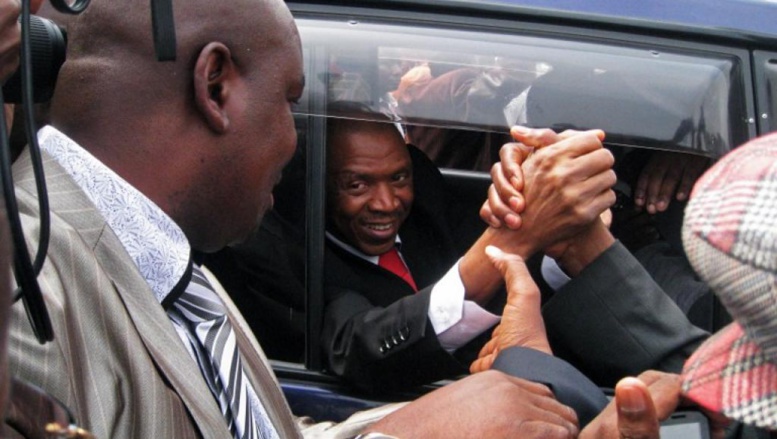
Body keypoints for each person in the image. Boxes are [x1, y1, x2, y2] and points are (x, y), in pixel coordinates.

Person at [3, 0, 668, 438]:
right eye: (290, 103)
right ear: (215, 87)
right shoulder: (24, 287)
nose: (295, 146)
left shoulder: (167, 259)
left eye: (398, 178)